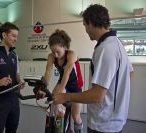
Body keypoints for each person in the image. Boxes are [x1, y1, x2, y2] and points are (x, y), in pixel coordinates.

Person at [53, 4, 133, 133]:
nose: (85, 30)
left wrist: (65, 97)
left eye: (84, 25)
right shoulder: (117, 44)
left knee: (76, 116)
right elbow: (130, 73)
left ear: (90, 23)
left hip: (103, 124)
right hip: (114, 119)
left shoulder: (105, 49)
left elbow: (97, 96)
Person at [43, 29, 84, 133]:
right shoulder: (51, 56)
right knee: (53, 106)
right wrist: (43, 88)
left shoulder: (71, 54)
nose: (55, 55)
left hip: (76, 85)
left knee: (76, 116)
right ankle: (58, 128)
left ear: (65, 47)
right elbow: (48, 72)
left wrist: (60, 92)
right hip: (62, 81)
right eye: (53, 51)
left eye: (58, 52)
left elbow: (67, 72)